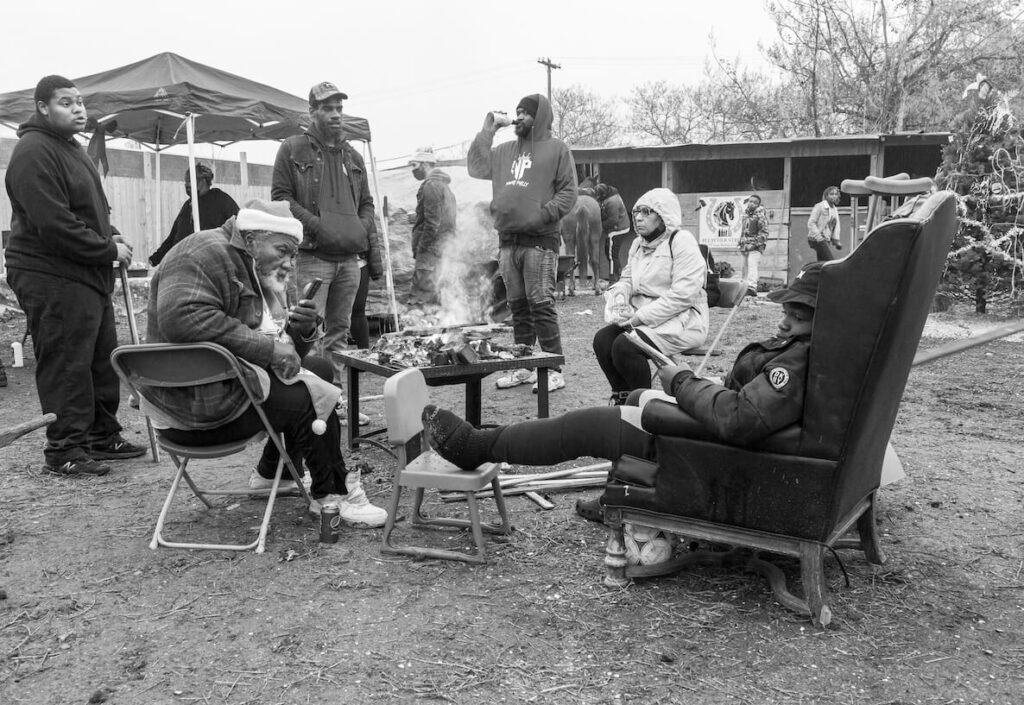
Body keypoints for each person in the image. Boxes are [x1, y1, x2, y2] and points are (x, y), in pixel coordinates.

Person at [422, 261, 825, 521]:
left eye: (798, 316)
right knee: (633, 398)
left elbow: (741, 419)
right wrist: (709, 384)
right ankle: (623, 496)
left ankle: (478, 446)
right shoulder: (815, 350)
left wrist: (683, 383)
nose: (784, 324)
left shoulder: (800, 361)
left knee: (586, 426)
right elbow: (754, 404)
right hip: (722, 439)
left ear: (825, 318)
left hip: (715, 449)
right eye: (786, 312)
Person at [142, 198, 387, 527]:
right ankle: (332, 496)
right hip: (195, 409)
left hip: (226, 392)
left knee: (319, 370)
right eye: (283, 249)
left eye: (294, 254)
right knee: (310, 397)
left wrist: (301, 332)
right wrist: (269, 350)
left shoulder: (259, 270)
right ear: (253, 237)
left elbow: (287, 361)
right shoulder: (202, 250)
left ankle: (275, 473)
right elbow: (181, 319)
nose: (289, 262)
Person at [4, 75, 146, 477]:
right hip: (52, 273)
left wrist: (109, 234)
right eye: (66, 102)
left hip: (85, 273)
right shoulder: (33, 152)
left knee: (100, 359)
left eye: (80, 101)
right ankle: (65, 448)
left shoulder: (71, 149)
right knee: (68, 362)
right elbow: (54, 222)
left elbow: (85, 210)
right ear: (42, 107)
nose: (78, 109)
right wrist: (105, 248)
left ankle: (101, 436)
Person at [271, 81, 382, 385]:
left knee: (339, 333)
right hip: (313, 256)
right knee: (304, 331)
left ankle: (334, 399)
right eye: (327, 108)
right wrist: (317, 225)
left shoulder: (353, 156)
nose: (335, 114)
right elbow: (281, 198)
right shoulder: (293, 148)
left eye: (339, 108)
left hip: (349, 260)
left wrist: (361, 226)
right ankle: (305, 396)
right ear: (312, 111)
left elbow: (368, 202)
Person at [468, 94, 578, 393]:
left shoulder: (557, 149)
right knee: (518, 308)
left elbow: (569, 192)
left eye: (525, 113)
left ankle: (553, 369)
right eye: (517, 112)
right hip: (508, 241)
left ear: (539, 117)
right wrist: (488, 129)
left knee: (541, 304)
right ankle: (525, 367)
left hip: (540, 241)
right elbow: (476, 167)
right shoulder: (504, 150)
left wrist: (542, 215)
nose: (519, 117)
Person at [595, 188, 709, 405]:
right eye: (637, 211)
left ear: (664, 215)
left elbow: (682, 296)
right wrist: (618, 296)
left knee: (624, 345)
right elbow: (627, 279)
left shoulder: (681, 241)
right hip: (643, 316)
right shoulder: (638, 244)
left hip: (684, 319)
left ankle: (643, 405)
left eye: (647, 212)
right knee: (602, 340)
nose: (638, 218)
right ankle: (622, 397)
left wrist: (640, 317)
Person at [148, 163, 239, 266]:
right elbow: (173, 237)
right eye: (186, 183)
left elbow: (238, 227)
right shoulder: (188, 205)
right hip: (183, 263)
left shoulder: (222, 200)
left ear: (203, 181)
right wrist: (154, 259)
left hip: (211, 263)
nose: (187, 186)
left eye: (190, 182)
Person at [407, 147, 457, 306]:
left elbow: (432, 223)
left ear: (426, 164)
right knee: (437, 296)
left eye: (414, 165)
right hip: (443, 248)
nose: (413, 170)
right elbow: (442, 217)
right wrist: (417, 217)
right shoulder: (444, 186)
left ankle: (418, 328)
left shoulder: (431, 186)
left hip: (431, 251)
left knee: (421, 298)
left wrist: (421, 247)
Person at [594, 183, 631, 283]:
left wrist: (600, 226)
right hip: (620, 227)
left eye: (598, 196)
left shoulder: (612, 202)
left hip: (617, 230)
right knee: (610, 252)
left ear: (603, 194)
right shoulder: (611, 195)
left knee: (611, 255)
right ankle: (618, 275)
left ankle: (613, 280)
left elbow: (613, 220)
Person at [738, 194, 769, 296]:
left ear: (758, 204)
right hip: (744, 245)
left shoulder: (760, 215)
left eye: (754, 202)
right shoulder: (745, 214)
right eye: (750, 201)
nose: (751, 203)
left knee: (752, 265)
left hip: (756, 246)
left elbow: (764, 232)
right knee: (743, 266)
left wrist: (755, 243)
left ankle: (752, 287)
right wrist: (741, 242)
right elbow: (743, 230)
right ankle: (743, 287)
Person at [807, 186, 843, 262]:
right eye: (831, 194)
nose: (834, 196)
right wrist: (818, 237)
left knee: (822, 263)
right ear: (826, 196)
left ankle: (817, 274)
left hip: (826, 239)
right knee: (830, 261)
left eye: (836, 194)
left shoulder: (834, 209)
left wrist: (836, 241)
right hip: (816, 238)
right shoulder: (820, 206)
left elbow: (835, 226)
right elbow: (811, 223)